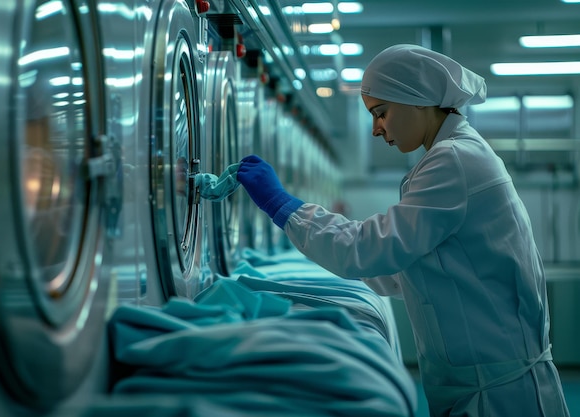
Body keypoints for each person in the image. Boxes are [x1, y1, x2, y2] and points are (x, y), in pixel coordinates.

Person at [236, 44, 570, 417]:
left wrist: (285, 207)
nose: (377, 130)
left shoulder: (454, 160)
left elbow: (369, 249)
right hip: (477, 387)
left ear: (417, 99)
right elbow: (400, 270)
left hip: (500, 396)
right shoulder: (448, 158)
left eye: (382, 113)